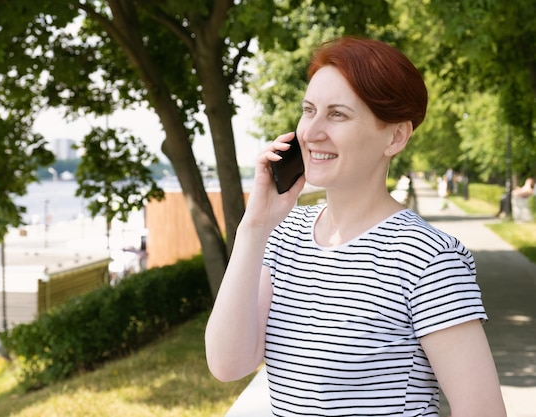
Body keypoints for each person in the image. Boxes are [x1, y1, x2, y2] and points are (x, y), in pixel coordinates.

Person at [205, 37, 506, 417]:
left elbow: (482, 411)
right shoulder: (284, 235)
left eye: (337, 115)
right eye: (309, 110)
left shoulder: (429, 260)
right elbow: (227, 364)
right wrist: (254, 227)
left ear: (395, 136)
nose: (310, 132)